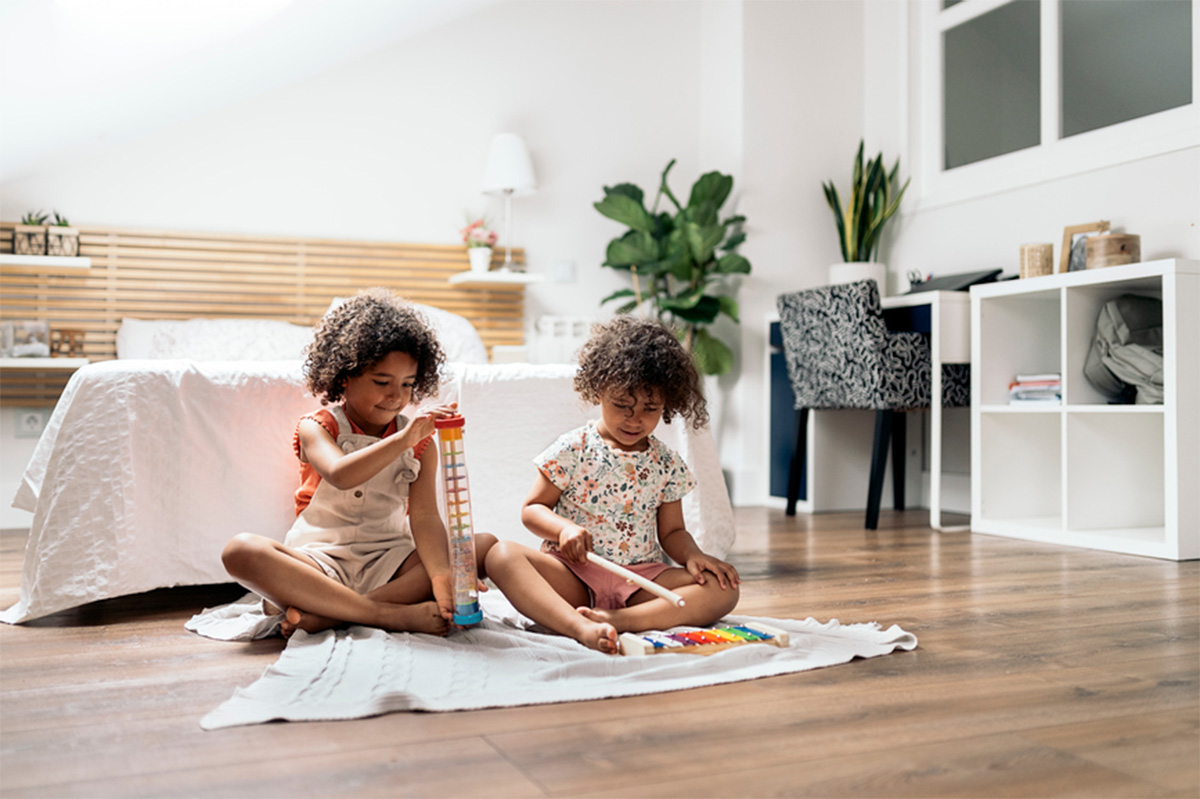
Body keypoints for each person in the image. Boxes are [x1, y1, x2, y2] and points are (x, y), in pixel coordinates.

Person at [221, 288, 495, 637]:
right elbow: (340, 474)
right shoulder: (318, 427)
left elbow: (425, 516)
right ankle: (381, 614)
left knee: (479, 547)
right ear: (345, 376)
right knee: (241, 551)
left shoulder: (421, 441)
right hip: (319, 559)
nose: (396, 396)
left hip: (389, 558)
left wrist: (442, 577)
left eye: (408, 384)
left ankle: (330, 612)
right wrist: (404, 440)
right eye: (382, 382)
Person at [485, 316, 739, 654]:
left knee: (725, 588)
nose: (635, 419)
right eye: (623, 405)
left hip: (641, 579)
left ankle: (623, 620)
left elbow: (673, 533)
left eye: (650, 408)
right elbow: (533, 510)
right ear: (599, 390)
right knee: (501, 555)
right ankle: (578, 625)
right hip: (573, 574)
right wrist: (563, 530)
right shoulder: (574, 447)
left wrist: (693, 556)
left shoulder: (665, 463)